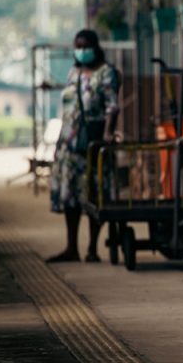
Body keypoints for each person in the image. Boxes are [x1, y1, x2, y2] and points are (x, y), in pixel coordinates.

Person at [47, 29, 121, 263]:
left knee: (94, 192)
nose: (81, 50)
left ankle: (92, 248)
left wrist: (108, 133)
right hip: (69, 145)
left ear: (95, 47)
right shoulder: (73, 73)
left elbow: (112, 106)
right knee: (71, 197)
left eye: (85, 45)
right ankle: (71, 247)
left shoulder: (106, 74)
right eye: (78, 46)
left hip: (92, 144)